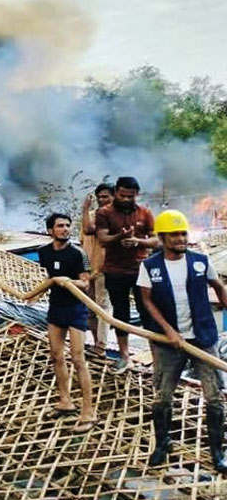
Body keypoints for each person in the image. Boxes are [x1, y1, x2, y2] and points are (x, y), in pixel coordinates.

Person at [137, 210, 227, 472]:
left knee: (214, 397)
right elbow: (146, 300)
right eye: (174, 234)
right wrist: (168, 331)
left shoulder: (200, 261)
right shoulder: (150, 266)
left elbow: (219, 287)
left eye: (183, 233)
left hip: (203, 339)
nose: (180, 238)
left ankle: (217, 452)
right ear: (162, 238)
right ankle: (162, 444)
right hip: (168, 343)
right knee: (163, 397)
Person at [38, 213, 96, 433]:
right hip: (56, 308)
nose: (64, 229)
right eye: (60, 226)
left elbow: (86, 284)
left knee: (78, 358)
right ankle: (65, 401)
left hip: (75, 309)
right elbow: (47, 276)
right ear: (50, 230)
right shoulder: (43, 252)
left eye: (67, 226)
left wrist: (68, 281)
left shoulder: (77, 254)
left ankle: (88, 411)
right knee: (56, 355)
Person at [95, 176, 158, 373]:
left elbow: (156, 240)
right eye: (123, 195)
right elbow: (102, 238)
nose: (126, 199)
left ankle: (155, 355)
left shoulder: (145, 213)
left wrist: (138, 242)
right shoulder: (104, 212)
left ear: (136, 194)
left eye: (130, 196)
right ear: (116, 193)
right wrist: (120, 237)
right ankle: (124, 355)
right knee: (120, 313)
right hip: (115, 270)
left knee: (148, 312)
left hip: (141, 270)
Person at [81, 183, 114, 353]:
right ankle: (95, 343)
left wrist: (84, 209)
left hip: (104, 269)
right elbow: (84, 238)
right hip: (87, 269)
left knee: (103, 306)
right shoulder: (91, 215)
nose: (102, 200)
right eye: (99, 197)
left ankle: (101, 346)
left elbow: (90, 231)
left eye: (106, 196)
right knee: (90, 307)